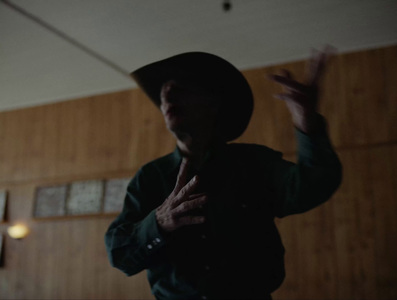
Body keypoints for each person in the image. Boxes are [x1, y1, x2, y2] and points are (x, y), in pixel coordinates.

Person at [105, 48, 342, 300]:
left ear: (213, 102)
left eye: (180, 87)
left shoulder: (254, 162)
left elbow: (314, 185)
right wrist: (159, 223)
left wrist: (307, 123)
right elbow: (120, 255)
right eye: (164, 92)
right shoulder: (149, 177)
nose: (167, 94)